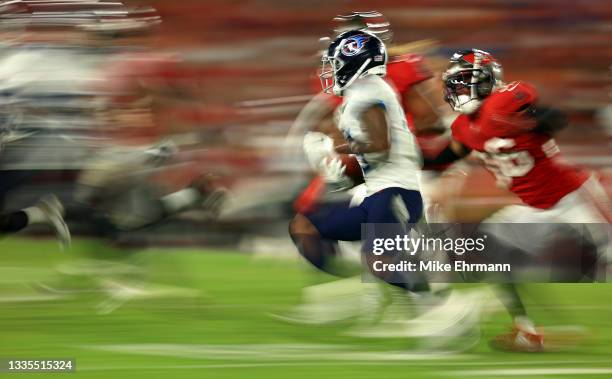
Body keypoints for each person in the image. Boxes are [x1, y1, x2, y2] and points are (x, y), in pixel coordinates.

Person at [424, 48, 611, 351]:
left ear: (485, 81)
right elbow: (447, 155)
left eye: (463, 82)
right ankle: (525, 331)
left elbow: (553, 118)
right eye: (454, 85)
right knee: (487, 248)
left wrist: (523, 123)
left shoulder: (506, 101)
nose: (458, 90)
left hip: (576, 197)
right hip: (535, 209)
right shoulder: (464, 126)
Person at [289, 30, 425, 296]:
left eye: (336, 62)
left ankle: (434, 302)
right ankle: (345, 290)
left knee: (379, 263)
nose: (331, 69)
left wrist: (334, 148)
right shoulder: (358, 93)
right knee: (305, 227)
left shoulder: (369, 92)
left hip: (395, 193)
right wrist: (338, 174)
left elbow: (381, 146)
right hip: (378, 192)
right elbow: (370, 159)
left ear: (357, 61)